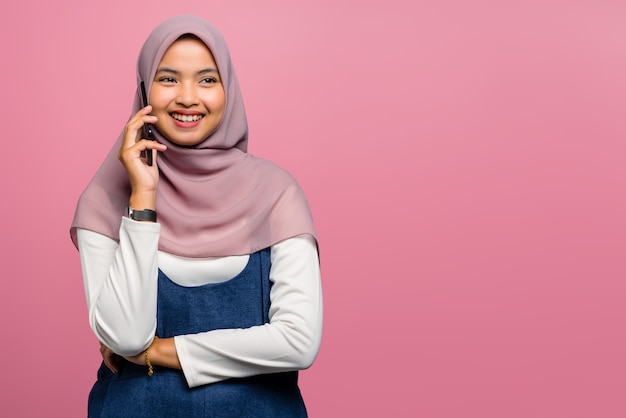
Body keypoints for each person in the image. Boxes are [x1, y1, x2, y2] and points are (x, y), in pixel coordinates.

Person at [71, 15, 322, 417]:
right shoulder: (104, 200)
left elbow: (299, 341)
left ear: (229, 89)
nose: (188, 97)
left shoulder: (276, 194)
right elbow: (126, 336)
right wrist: (142, 198)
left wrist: (161, 351)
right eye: (168, 79)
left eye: (207, 80)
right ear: (144, 88)